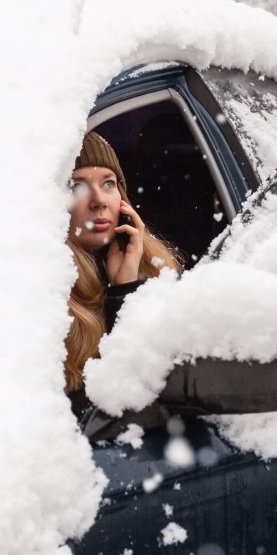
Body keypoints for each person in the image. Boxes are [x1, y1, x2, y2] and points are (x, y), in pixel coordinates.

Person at [64, 131, 181, 420]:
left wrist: (126, 287)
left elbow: (161, 394)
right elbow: (99, 420)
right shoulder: (45, 296)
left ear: (123, 200)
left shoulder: (156, 273)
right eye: (76, 186)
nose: (99, 201)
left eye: (108, 183)